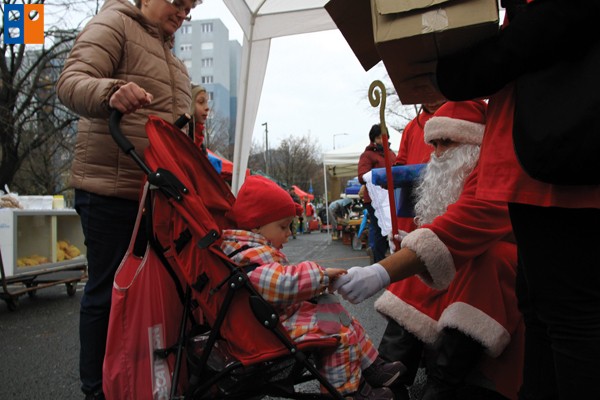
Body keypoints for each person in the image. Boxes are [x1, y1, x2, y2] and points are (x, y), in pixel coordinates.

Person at [432, 1, 600, 398]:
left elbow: (551, 23)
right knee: (544, 313)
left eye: (445, 140)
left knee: (570, 318)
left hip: (559, 161)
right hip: (542, 158)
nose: (438, 150)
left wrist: (465, 69)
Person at [56, 0, 199, 398]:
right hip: (111, 190)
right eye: (178, 2)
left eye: (190, 8)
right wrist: (110, 92)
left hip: (157, 198)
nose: (183, 14)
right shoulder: (115, 23)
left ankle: (140, 383)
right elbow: (70, 80)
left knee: (155, 293)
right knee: (107, 292)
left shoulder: (176, 63)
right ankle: (96, 390)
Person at [335, 101, 524, 400]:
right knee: (419, 260)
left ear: (474, 141)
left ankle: (441, 385)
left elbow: (462, 226)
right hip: (461, 256)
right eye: (433, 144)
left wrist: (381, 271)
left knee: (476, 262)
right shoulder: (420, 135)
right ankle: (388, 377)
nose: (436, 155)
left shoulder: (493, 170)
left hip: (503, 267)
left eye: (446, 142)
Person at [221, 175, 404, 400]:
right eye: (283, 226)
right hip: (272, 327)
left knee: (337, 312)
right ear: (257, 225)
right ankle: (347, 392)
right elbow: (281, 283)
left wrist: (320, 281)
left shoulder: (252, 250)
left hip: (278, 317)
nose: (289, 233)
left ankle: (371, 365)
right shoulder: (248, 256)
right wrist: (321, 276)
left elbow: (282, 280)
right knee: (338, 333)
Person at [394, 101, 445, 234]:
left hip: (445, 195)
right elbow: (401, 161)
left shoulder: (456, 119)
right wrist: (392, 177)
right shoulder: (411, 127)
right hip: (414, 200)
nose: (432, 100)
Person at [357, 124, 396, 262]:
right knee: (379, 230)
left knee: (392, 229)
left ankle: (389, 259)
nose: (382, 140)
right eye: (379, 138)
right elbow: (362, 176)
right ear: (373, 139)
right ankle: (377, 260)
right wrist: (381, 176)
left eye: (384, 137)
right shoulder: (367, 155)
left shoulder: (391, 154)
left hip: (390, 197)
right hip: (374, 199)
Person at [190, 83, 210, 152]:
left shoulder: (201, 144)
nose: (207, 108)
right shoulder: (183, 139)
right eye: (201, 102)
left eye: (207, 102)